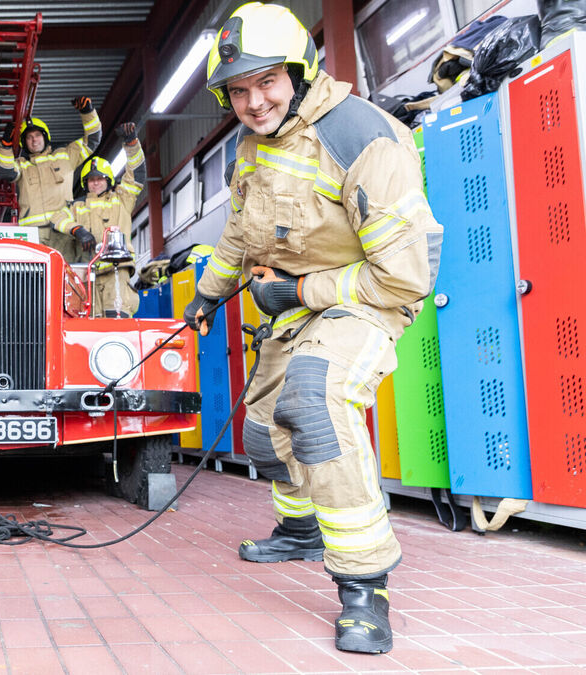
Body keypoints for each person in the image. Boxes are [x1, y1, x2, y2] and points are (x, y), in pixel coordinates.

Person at [183, 2, 443, 654]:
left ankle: (365, 585)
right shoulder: (252, 146)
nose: (253, 102)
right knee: (264, 434)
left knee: (315, 401)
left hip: (366, 298)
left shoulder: (361, 136)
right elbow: (239, 231)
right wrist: (208, 294)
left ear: (299, 73)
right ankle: (300, 530)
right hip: (293, 305)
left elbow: (403, 278)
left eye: (266, 82)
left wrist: (298, 290)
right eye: (238, 91)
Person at [53, 122, 145, 317]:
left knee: (117, 317)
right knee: (88, 322)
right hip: (87, 275)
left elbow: (136, 174)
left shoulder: (123, 199)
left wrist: (131, 144)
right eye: (91, 180)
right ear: (86, 183)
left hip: (116, 271)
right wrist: (77, 230)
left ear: (108, 180)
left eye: (100, 178)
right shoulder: (77, 206)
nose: (95, 183)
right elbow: (57, 218)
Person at [0, 97, 101, 262]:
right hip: (33, 234)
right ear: (24, 142)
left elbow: (92, 139)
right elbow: (6, 172)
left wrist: (87, 112)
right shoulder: (22, 165)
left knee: (64, 274)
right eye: (29, 137)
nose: (34, 140)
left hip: (62, 232)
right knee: (33, 276)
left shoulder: (65, 156)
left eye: (38, 135)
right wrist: (5, 145)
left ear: (45, 137)